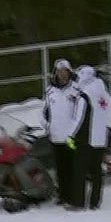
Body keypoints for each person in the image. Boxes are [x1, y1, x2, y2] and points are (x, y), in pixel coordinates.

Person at [41, 58, 85, 210]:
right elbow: (44, 112)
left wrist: (75, 131)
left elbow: (80, 112)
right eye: (59, 72)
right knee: (60, 168)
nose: (62, 75)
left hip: (71, 136)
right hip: (55, 136)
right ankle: (63, 194)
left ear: (69, 72)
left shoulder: (76, 89)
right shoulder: (49, 91)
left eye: (65, 71)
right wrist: (47, 126)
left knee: (72, 165)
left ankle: (74, 196)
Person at [75, 65, 111, 211]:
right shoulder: (102, 91)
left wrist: (71, 135)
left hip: (85, 138)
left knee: (80, 170)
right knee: (97, 171)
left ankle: (79, 202)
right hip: (100, 137)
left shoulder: (85, 94)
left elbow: (78, 119)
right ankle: (95, 202)